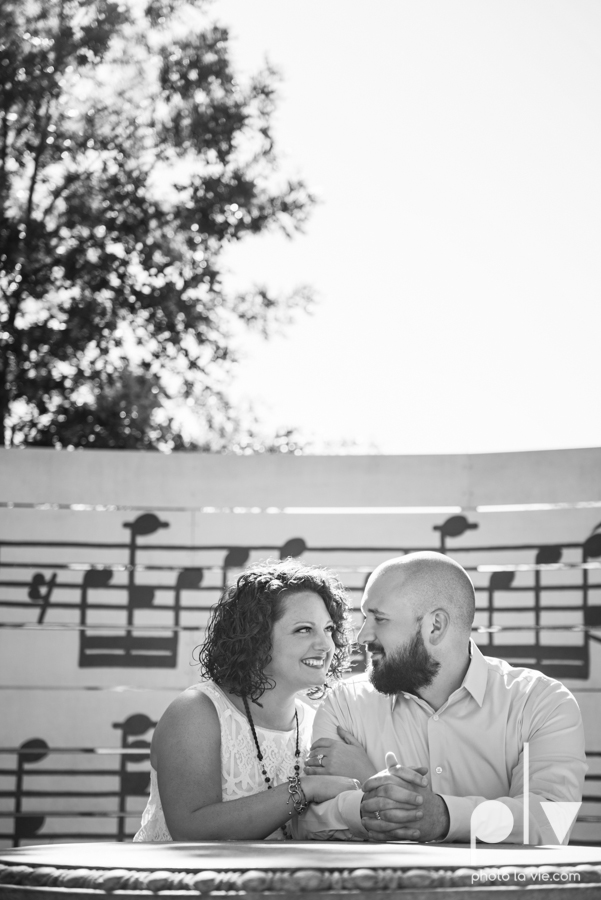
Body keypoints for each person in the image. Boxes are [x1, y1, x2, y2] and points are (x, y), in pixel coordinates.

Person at [296, 551, 587, 844]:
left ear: (435, 626)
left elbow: (551, 819)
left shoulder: (540, 703)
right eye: (365, 617)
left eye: (379, 619)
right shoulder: (344, 705)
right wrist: (396, 805)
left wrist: (443, 816)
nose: (363, 636)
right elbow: (308, 821)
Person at [134, 559, 360, 842]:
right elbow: (190, 829)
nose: (326, 645)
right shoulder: (196, 712)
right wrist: (304, 788)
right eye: (304, 629)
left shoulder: (317, 724)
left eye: (328, 629)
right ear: (256, 638)